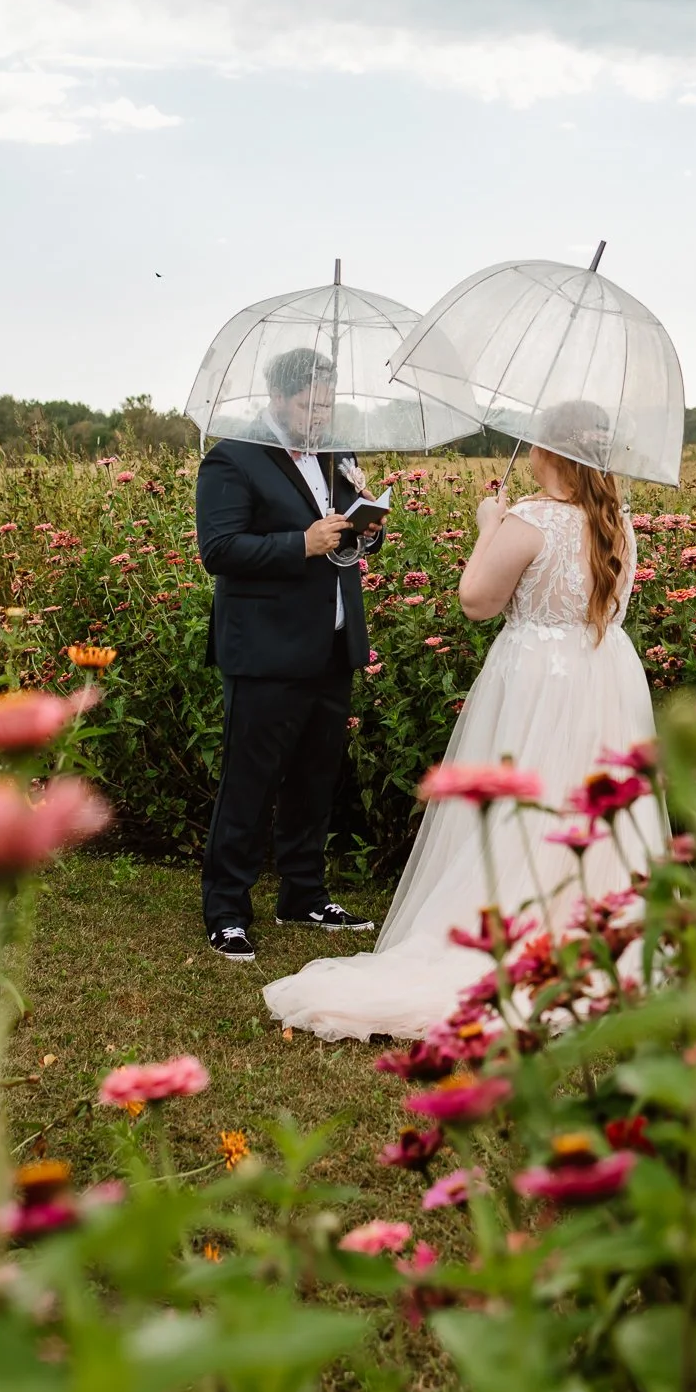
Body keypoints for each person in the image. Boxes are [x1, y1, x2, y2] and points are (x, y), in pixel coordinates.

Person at [262, 402, 664, 1040]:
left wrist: (487, 526)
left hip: (535, 679)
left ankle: (510, 934)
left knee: (521, 806)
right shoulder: (616, 522)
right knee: (581, 805)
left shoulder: (528, 521)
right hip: (602, 677)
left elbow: (476, 602)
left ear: (548, 452)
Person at [196, 345, 385, 961]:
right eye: (309, 402)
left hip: (331, 643)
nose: (321, 412)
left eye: (328, 400)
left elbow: (344, 545)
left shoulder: (339, 454)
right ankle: (226, 910)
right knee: (249, 782)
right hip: (265, 650)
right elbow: (220, 550)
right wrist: (299, 543)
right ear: (276, 399)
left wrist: (367, 534)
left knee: (314, 778)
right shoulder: (233, 458)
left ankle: (303, 895)